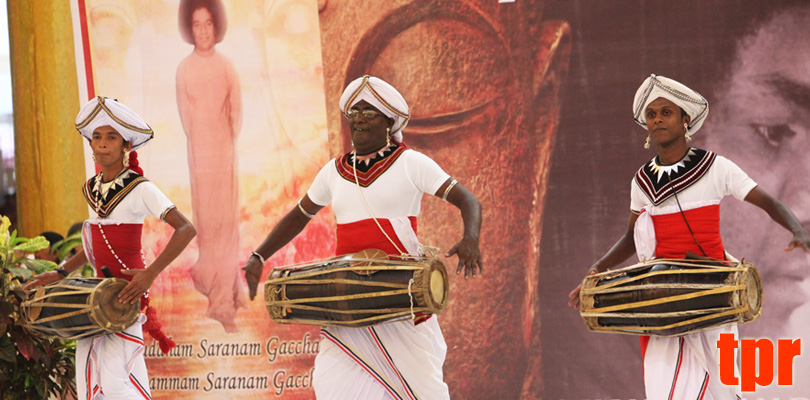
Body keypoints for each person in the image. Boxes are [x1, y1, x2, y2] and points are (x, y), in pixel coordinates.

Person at [568, 75, 810, 399]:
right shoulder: (642, 181)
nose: (657, 120)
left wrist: (796, 228)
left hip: (710, 290)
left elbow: (766, 201)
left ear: (685, 120)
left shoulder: (716, 168)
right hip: (661, 296)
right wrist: (597, 269)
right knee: (665, 387)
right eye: (651, 115)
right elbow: (630, 236)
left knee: (721, 387)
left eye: (666, 112)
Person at [243, 76, 482, 399]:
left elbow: (468, 200)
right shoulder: (334, 171)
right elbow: (300, 215)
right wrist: (259, 255)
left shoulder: (411, 163)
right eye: (354, 113)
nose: (359, 119)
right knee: (331, 385)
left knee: (421, 391)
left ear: (389, 123)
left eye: (369, 113)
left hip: (402, 301)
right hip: (347, 309)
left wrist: (470, 237)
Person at [25, 97, 196, 400]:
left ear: (125, 145)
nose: (102, 143)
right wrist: (61, 272)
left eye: (111, 137)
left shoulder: (141, 187)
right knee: (91, 380)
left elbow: (186, 228)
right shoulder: (92, 188)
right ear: (91, 145)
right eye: (97, 137)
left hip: (125, 295)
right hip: (96, 295)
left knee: (115, 384)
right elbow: (95, 242)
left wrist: (149, 274)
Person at [176, 0, 245, 332]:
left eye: (208, 24)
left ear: (216, 26)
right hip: (201, 160)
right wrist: (204, 150)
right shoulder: (185, 69)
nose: (203, 31)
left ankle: (227, 292)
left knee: (227, 223)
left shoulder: (227, 66)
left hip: (224, 157)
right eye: (197, 25)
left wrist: (224, 148)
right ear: (190, 30)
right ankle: (219, 297)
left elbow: (236, 113)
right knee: (209, 226)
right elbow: (188, 122)